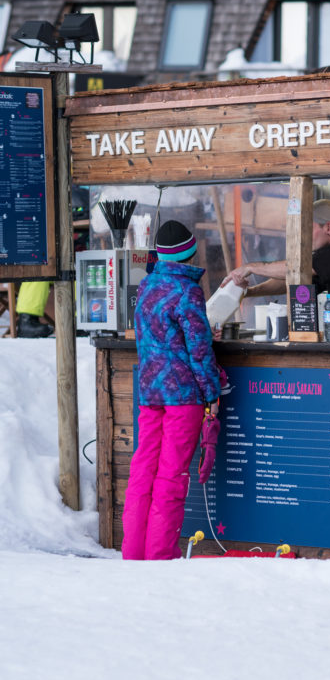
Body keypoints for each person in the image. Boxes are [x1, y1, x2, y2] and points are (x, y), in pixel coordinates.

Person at [122, 220, 221, 560]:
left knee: (142, 472)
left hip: (150, 394)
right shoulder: (187, 291)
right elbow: (198, 350)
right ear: (190, 253)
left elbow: (157, 335)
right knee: (171, 477)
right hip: (183, 397)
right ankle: (160, 556)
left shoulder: (148, 284)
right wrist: (212, 394)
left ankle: (133, 553)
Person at [222, 199, 330, 339]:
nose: (304, 235)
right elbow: (292, 278)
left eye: (308, 228)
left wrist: (251, 267)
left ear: (329, 227)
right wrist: (249, 292)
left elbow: (297, 269)